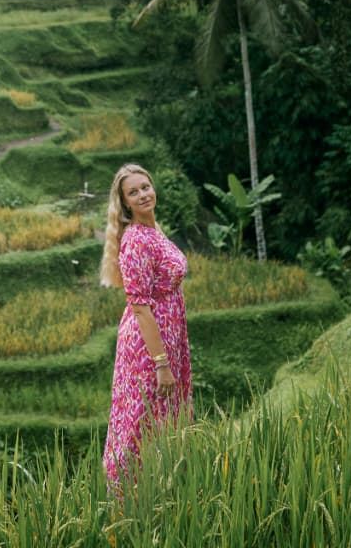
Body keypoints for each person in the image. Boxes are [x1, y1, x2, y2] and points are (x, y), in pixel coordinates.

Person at [100, 163, 192, 485]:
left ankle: (163, 488)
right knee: (141, 421)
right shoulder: (136, 239)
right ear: (124, 203)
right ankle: (128, 499)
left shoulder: (154, 231)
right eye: (133, 192)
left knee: (163, 420)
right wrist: (161, 363)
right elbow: (140, 307)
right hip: (148, 347)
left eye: (145, 187)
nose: (142, 195)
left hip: (168, 337)